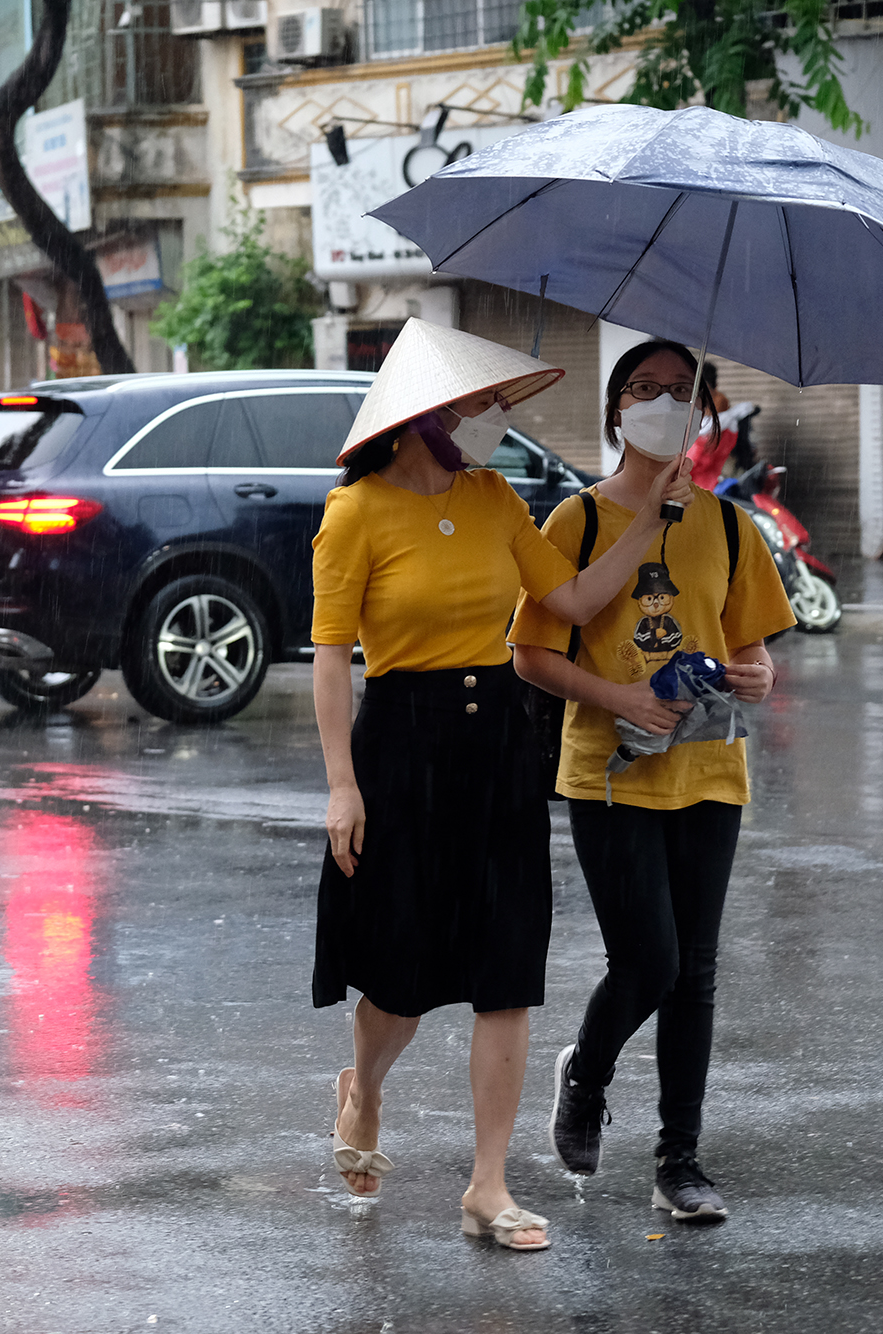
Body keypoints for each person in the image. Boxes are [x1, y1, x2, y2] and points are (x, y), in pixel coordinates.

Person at [312, 319, 692, 1254]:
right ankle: (364, 1085)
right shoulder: (353, 513)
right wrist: (342, 787)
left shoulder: (495, 501)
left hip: (500, 752)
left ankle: (490, 1185)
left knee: (507, 973)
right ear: (422, 417)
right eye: (477, 404)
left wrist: (650, 519)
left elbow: (566, 602)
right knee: (399, 980)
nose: (491, 419)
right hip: (402, 744)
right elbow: (329, 660)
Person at [512, 339, 795, 1226]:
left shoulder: (729, 526)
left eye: (681, 391)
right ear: (616, 410)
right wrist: (618, 697)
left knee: (696, 974)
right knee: (650, 960)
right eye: (645, 389)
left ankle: (680, 1160)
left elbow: (751, 648)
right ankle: (585, 1075)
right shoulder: (578, 523)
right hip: (608, 772)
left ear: (704, 414)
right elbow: (530, 655)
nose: (663, 403)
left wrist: (756, 677)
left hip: (711, 768)